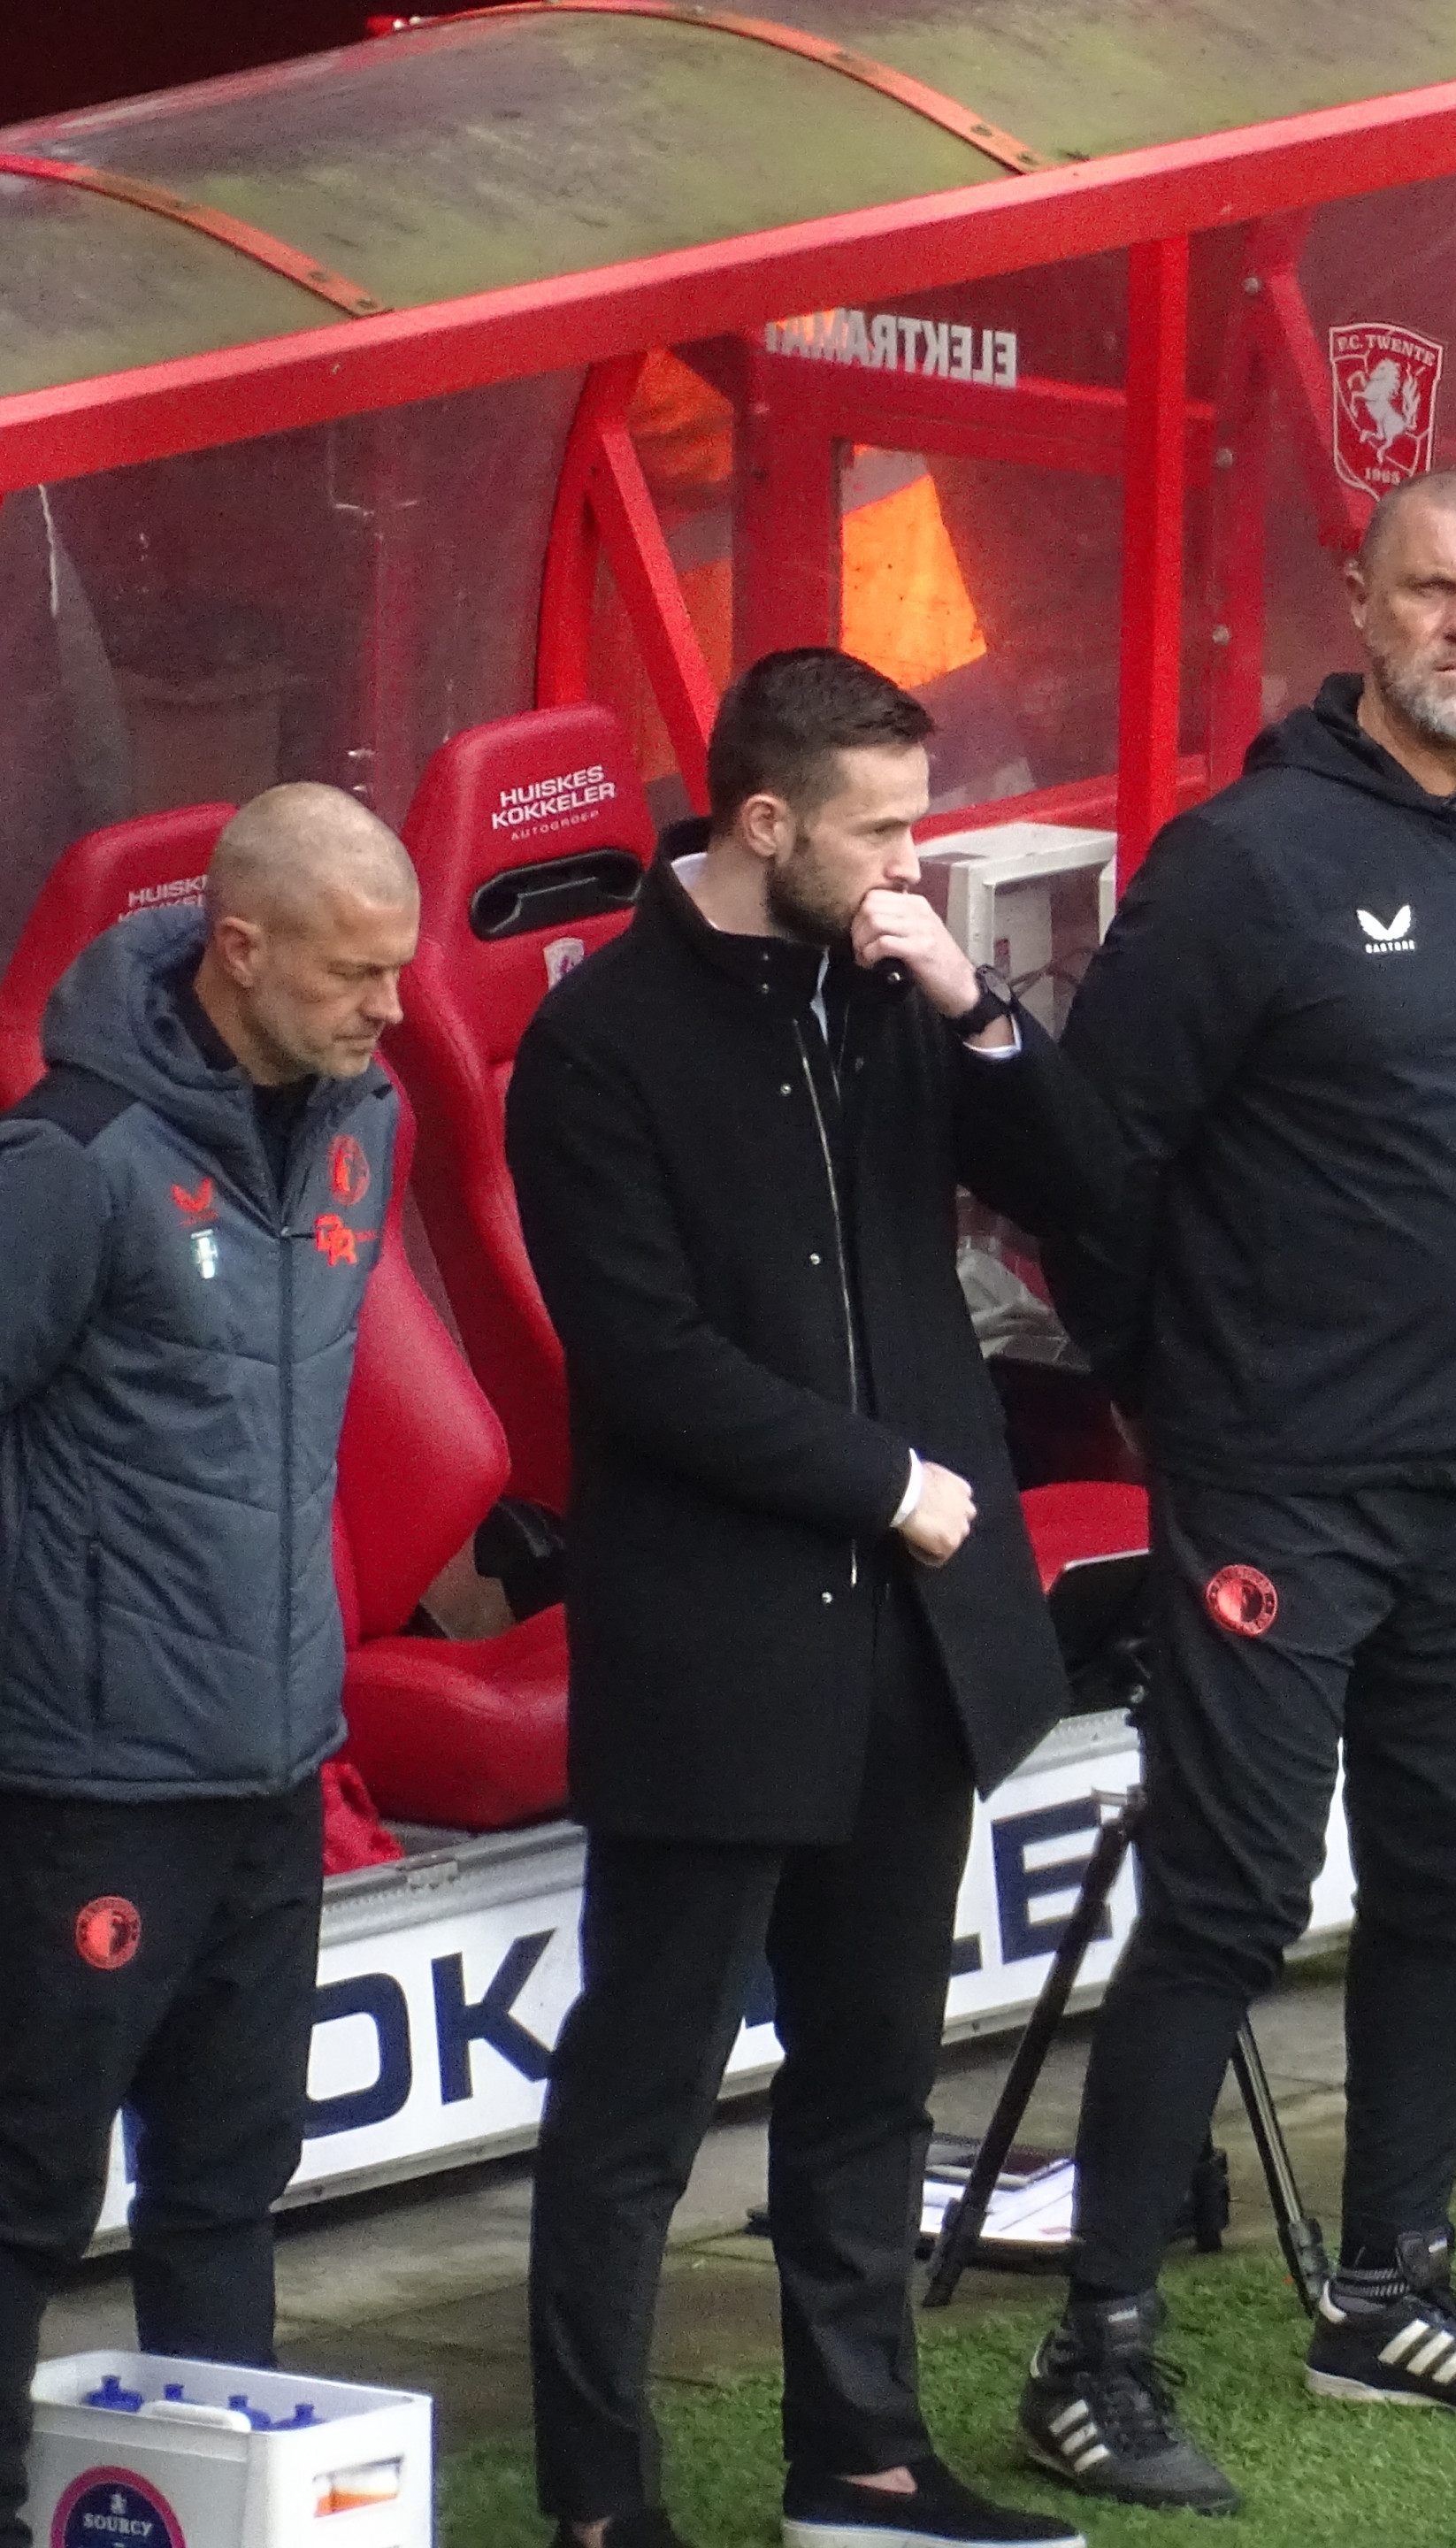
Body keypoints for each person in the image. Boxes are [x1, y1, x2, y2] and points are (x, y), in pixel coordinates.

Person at [1021, 467, 1456, 2513]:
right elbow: (1088, 1166)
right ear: (1357, 601)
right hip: (1279, 1477)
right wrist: (1178, 1393)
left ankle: (1392, 2291)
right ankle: (1091, 2354)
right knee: (1236, 1897)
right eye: (1431, 587)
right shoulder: (1246, 862)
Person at [510, 649, 1110, 2548]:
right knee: (643, 2101)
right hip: (721, 1653)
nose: (911, 863)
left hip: (913, 1655)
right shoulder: (602, 1043)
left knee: (869, 2078)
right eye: (883, 832)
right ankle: (602, 2507)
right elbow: (647, 1358)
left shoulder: (888, 984)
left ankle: (857, 2462)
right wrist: (890, 1484)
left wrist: (977, 1012)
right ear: (766, 824)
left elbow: (1089, 1193)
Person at [0, 787, 418, 2548]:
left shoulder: (363, 1121)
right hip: (93, 1778)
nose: (391, 1008)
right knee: (23, 2188)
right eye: (356, 970)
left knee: (230, 2185)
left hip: (274, 1763)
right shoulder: (71, 1161)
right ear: (240, 949)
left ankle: (217, 2518)